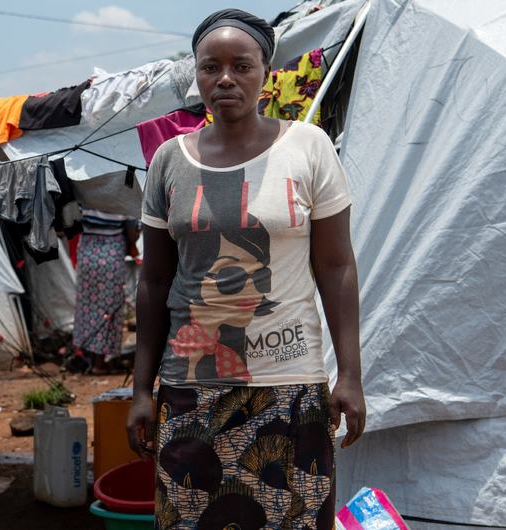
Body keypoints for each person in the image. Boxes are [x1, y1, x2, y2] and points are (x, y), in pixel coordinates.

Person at [126, 9, 366, 529]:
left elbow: (337, 265)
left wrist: (349, 374)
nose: (226, 79)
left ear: (266, 71)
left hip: (290, 383)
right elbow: (154, 281)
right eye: (210, 67)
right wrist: (142, 390)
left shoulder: (308, 147)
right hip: (190, 389)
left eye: (242, 65)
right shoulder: (169, 160)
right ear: (197, 74)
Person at [71, 208, 140, 374]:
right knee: (109, 307)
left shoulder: (84, 191)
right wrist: (132, 243)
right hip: (112, 250)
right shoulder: (120, 196)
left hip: (87, 250)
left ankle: (88, 355)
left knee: (87, 306)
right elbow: (132, 228)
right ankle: (99, 362)